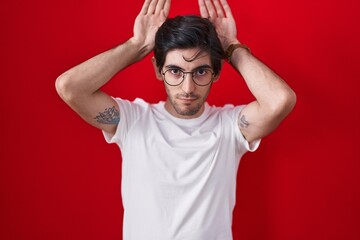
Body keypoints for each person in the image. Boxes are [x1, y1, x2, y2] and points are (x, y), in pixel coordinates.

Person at [55, 0, 296, 239]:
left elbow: (280, 101)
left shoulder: (230, 127)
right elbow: (70, 87)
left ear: (217, 72)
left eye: (201, 71)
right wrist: (136, 45)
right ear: (158, 70)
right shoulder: (133, 121)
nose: (188, 87)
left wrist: (231, 47)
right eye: (175, 71)